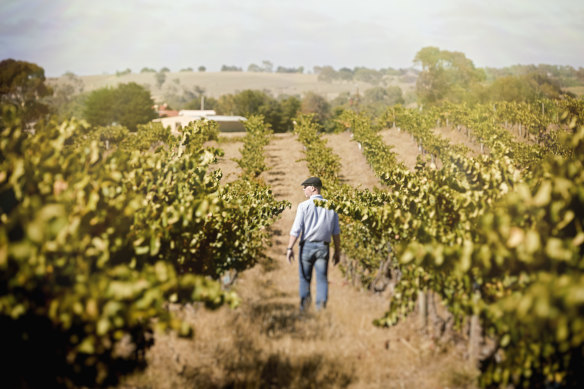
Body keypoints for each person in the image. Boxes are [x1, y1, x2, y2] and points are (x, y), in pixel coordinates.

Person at [287, 177, 341, 312]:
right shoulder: (331, 206)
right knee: (322, 279)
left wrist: (289, 248)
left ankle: (304, 309)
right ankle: (320, 309)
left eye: (305, 187)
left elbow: (296, 229)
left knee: (305, 278)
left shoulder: (303, 206)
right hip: (324, 247)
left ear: (313, 188)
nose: (303, 190)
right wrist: (338, 251)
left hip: (307, 247)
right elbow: (336, 232)